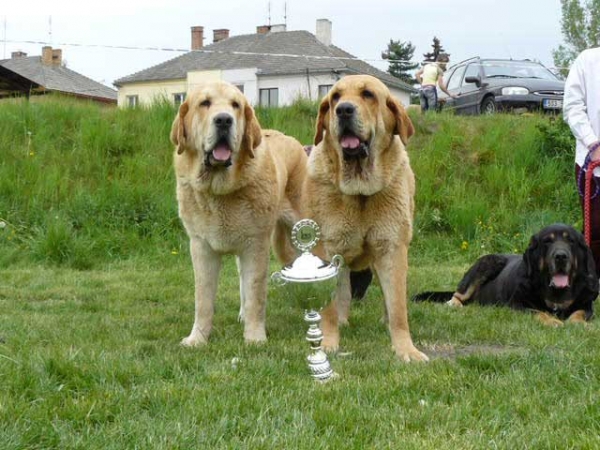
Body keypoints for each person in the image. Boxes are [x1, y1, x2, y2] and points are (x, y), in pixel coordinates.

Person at [564, 46, 600, 275]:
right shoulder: (587, 60)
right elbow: (573, 107)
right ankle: (593, 279)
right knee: (596, 228)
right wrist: (593, 143)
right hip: (592, 162)